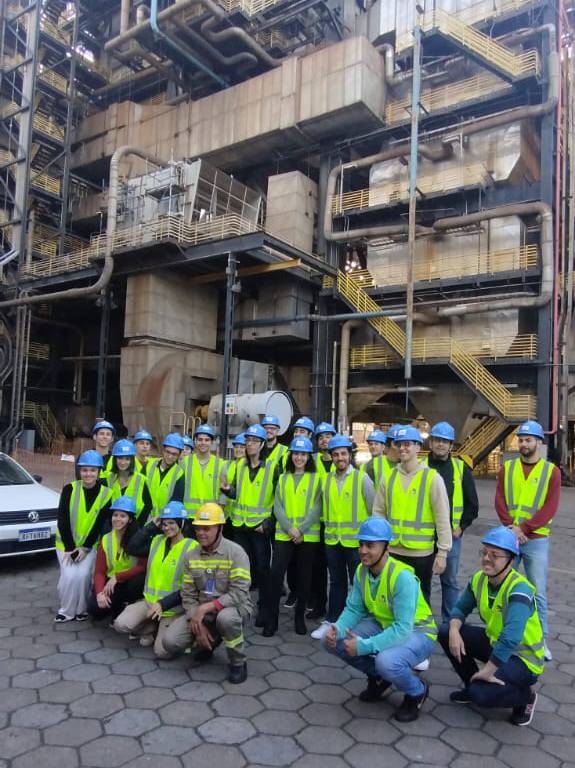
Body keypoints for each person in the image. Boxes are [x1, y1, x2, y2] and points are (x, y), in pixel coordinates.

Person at [323, 517, 436, 722]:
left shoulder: (402, 577)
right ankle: (381, 677)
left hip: (418, 631)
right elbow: (354, 609)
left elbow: (403, 629)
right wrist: (337, 629)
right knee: (329, 641)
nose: (363, 550)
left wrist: (366, 646)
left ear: (386, 547)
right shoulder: (361, 571)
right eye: (361, 544)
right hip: (385, 624)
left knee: (386, 661)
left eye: (370, 545)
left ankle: (416, 691)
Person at [439, 526, 544, 727]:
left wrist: (488, 670)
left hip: (524, 659)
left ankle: (525, 698)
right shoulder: (479, 579)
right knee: (445, 631)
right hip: (497, 644)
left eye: (495, 555)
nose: (487, 558)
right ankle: (473, 685)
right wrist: (453, 630)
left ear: (511, 561)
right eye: (485, 552)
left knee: (482, 694)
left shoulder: (519, 589)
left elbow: (511, 637)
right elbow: (459, 609)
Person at [163, 503, 253, 684]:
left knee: (226, 619)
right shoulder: (191, 556)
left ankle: (238, 662)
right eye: (198, 528)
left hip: (233, 608)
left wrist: (208, 607)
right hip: (202, 612)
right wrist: (195, 620)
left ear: (220, 528)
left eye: (207, 528)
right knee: (170, 642)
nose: (201, 533)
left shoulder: (236, 553)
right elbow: (187, 595)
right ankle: (208, 644)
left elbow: (240, 592)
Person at [495, 419, 559, 662]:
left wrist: (524, 529)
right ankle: (503, 636)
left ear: (538, 442)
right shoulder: (507, 469)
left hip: (536, 539)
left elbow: (550, 508)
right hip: (509, 537)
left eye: (528, 439)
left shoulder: (551, 471)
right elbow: (499, 500)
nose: (524, 443)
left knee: (537, 592)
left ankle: (540, 641)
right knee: (504, 587)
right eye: (521, 439)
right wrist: (511, 529)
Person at [372, 426, 452, 606]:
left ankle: (422, 634)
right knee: (392, 597)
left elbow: (442, 517)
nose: (402, 449)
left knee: (420, 600)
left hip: (421, 554)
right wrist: (380, 545)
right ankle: (395, 633)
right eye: (399, 445)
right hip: (393, 551)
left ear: (418, 447)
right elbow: (378, 513)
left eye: (407, 444)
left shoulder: (432, 478)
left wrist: (443, 553)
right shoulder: (389, 477)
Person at [311, 434, 375, 640]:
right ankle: (332, 621)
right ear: (331, 456)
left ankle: (363, 625)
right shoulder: (327, 479)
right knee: (337, 583)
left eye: (343, 454)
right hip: (333, 540)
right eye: (336, 454)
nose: (340, 458)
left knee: (360, 583)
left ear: (350, 455)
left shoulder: (361, 478)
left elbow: (374, 509)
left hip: (357, 543)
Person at [113, 501, 197, 658]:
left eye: (171, 523)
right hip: (149, 603)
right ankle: (154, 627)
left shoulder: (191, 548)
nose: (167, 528)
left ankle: (176, 629)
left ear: (181, 523)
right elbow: (132, 547)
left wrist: (164, 604)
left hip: (173, 608)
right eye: (164, 524)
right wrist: (151, 526)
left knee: (162, 652)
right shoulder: (156, 541)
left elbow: (191, 587)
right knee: (121, 624)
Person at [220, 423, 279, 627]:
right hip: (240, 526)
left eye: (254, 441)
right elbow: (239, 493)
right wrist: (228, 490)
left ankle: (264, 611)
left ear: (262, 444)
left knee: (263, 571)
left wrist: (268, 523)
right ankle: (241, 607)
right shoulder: (241, 466)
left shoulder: (272, 468)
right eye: (248, 441)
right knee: (241, 570)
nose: (250, 444)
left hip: (260, 528)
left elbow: (279, 500)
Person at [265, 437, 322, 637]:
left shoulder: (316, 479)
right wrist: (290, 529)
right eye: (296, 454)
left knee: (304, 579)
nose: (299, 457)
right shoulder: (283, 478)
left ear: (309, 457)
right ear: (291, 456)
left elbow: (317, 507)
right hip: (284, 534)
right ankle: (272, 621)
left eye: (303, 454)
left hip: (307, 537)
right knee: (275, 576)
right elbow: (277, 506)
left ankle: (299, 619)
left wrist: (301, 529)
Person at [424, 422, 479, 623]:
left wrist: (461, 526)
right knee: (422, 581)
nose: (440, 444)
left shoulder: (460, 469)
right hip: (424, 535)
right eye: (437, 440)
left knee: (450, 581)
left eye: (444, 441)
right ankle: (424, 621)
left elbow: (473, 504)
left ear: (451, 445)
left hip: (451, 536)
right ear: (431, 442)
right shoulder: (422, 467)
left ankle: (449, 622)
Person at [55, 450, 113, 622]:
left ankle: (80, 611)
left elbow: (99, 525)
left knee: (83, 576)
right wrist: (70, 548)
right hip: (66, 544)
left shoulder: (106, 494)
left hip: (89, 546)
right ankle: (66, 611)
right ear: (79, 471)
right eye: (85, 470)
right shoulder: (69, 489)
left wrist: (86, 548)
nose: (88, 474)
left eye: (93, 470)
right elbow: (62, 519)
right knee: (70, 576)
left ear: (99, 472)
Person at [88, 496, 147, 621]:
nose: (118, 519)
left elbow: (142, 567)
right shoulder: (106, 539)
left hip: (130, 581)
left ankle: (130, 606)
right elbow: (99, 571)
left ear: (130, 519)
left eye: (123, 516)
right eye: (115, 515)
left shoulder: (139, 538)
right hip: (112, 583)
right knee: (95, 609)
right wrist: (99, 594)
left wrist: (118, 577)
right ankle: (117, 606)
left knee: (137, 583)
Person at [105, 439, 153, 523]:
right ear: (115, 459)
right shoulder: (108, 479)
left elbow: (148, 507)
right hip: (113, 528)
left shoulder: (141, 480)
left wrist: (136, 530)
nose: (123, 462)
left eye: (127, 459)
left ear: (132, 460)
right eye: (120, 458)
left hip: (134, 530)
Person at [183, 424, 222, 519]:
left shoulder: (220, 464)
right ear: (195, 441)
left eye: (207, 440)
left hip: (211, 515)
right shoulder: (184, 462)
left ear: (212, 442)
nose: (203, 443)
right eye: (200, 439)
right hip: (189, 515)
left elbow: (223, 494)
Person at [147, 433, 185, 514]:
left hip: (164, 521)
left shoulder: (179, 474)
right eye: (168, 452)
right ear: (163, 450)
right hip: (145, 519)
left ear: (179, 455)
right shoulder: (149, 465)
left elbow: (176, 502)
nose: (170, 456)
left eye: (174, 454)